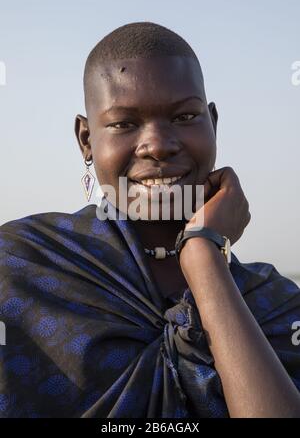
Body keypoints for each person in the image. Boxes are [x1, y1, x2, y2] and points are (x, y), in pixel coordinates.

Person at [0, 21, 299, 418]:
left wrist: (205, 255)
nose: (157, 145)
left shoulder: (277, 307)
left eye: (184, 117)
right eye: (124, 123)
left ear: (213, 122)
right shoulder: (21, 268)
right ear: (86, 139)